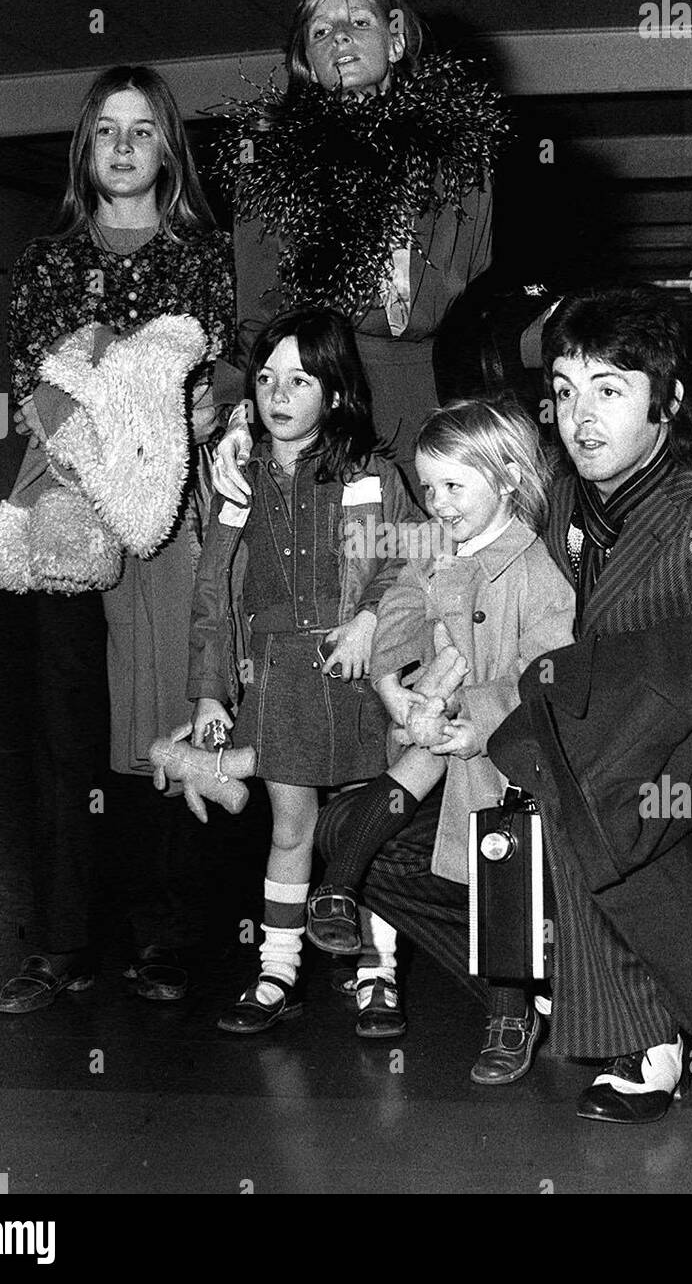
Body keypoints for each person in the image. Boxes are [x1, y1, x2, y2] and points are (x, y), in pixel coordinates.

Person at [315, 287, 692, 1119]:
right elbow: (424, 542)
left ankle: (645, 1029)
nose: (579, 415)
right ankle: (549, 975)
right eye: (562, 390)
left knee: (566, 813)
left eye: (608, 389)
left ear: (665, 402)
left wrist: (615, 723)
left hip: (681, 797)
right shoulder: (551, 498)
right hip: (537, 771)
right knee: (369, 851)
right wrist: (386, 641)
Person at [0, 65, 237, 1015]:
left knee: (173, 721)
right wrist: (127, 403)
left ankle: (170, 936)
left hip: (178, 523)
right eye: (108, 131)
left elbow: (220, 385)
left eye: (144, 130)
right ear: (84, 151)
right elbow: (40, 395)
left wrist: (165, 397)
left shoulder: (208, 257)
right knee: (66, 736)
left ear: (168, 149)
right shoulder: (48, 259)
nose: (126, 147)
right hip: (66, 518)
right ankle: (61, 943)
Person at [305, 397, 576, 1039]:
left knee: (505, 875)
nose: (439, 503)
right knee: (384, 798)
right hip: (437, 718)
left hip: (505, 755)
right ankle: (340, 889)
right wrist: (391, 680)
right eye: (429, 488)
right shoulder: (434, 544)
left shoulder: (537, 570)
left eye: (454, 485)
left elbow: (545, 672)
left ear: (508, 476)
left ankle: (512, 1015)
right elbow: (399, 602)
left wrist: (473, 717)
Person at [188, 307, 422, 1037]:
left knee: (365, 827)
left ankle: (376, 975)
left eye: (299, 379)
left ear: (335, 391)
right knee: (290, 826)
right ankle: (277, 970)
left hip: (361, 678)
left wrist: (370, 617)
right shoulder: (239, 475)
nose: (277, 394)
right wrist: (208, 691)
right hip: (281, 673)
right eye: (265, 378)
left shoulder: (372, 472)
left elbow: (415, 559)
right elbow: (213, 589)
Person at [210, 0, 505, 498]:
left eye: (358, 23)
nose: (339, 37)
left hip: (431, 400)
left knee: (428, 561)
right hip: (318, 403)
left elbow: (482, 289)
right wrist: (239, 418)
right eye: (320, 30)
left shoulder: (460, 159)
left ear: (395, 42)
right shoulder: (271, 166)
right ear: (307, 62)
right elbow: (258, 315)